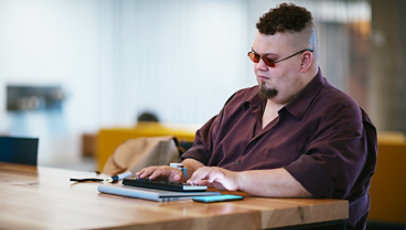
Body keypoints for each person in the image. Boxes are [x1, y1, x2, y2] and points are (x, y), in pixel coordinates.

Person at [136, 3, 377, 230]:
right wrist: (184, 172)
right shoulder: (240, 102)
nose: (259, 67)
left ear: (305, 60)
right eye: (255, 56)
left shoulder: (340, 112)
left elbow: (316, 180)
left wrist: (236, 179)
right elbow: (201, 152)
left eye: (270, 60)